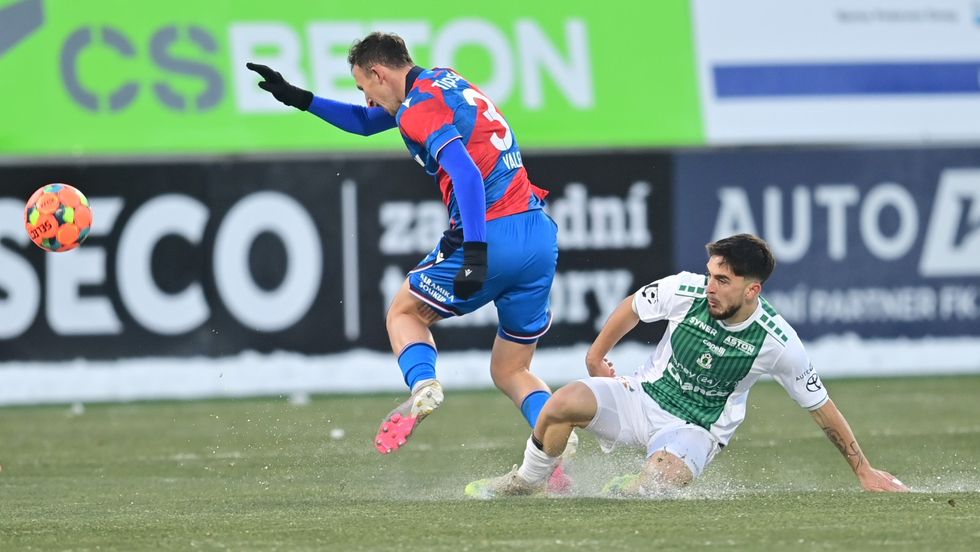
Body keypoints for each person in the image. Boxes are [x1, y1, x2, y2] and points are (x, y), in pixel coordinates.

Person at [245, 32, 571, 470]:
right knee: (511, 369)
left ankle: (423, 385)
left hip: (493, 233)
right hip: (538, 234)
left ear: (378, 73)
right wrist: (300, 99)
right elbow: (365, 123)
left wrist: (475, 252)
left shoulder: (418, 109)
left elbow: (467, 174)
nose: (367, 99)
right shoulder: (443, 80)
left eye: (364, 87)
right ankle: (556, 443)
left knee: (403, 314)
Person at [465, 233, 909, 498]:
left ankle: (636, 483)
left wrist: (863, 470)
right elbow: (634, 306)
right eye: (711, 274)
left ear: (752, 291)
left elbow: (821, 407)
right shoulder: (687, 290)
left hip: (696, 428)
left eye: (723, 280)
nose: (710, 286)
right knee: (562, 402)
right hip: (642, 397)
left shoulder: (778, 342)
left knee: (657, 485)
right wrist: (595, 357)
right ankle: (528, 481)